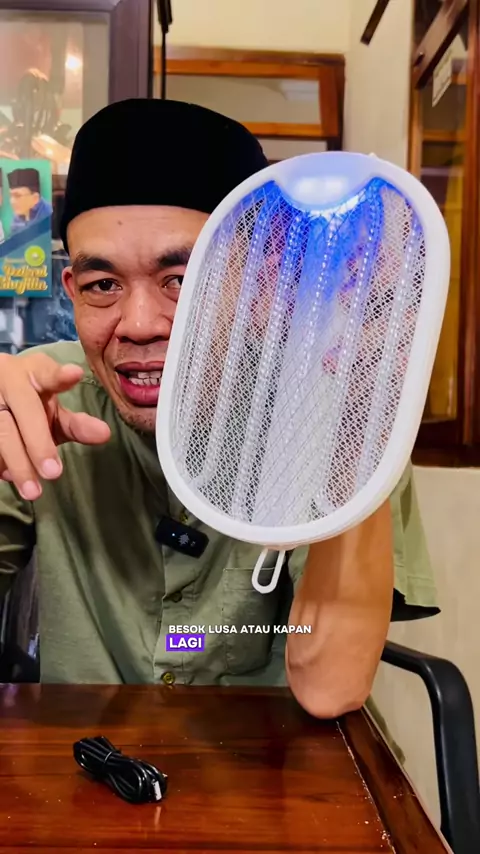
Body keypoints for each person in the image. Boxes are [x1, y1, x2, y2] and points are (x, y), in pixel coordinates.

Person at [0, 100, 438, 715]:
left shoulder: (338, 416)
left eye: (181, 279)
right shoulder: (41, 401)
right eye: (103, 285)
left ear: (264, 283)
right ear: (71, 290)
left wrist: (352, 409)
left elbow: (331, 685)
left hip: (271, 763)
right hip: (81, 758)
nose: (140, 324)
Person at [8, 167, 52, 234]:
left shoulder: (49, 215)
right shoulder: (18, 216)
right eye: (11, 195)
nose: (12, 201)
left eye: (17, 196)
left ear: (35, 198)